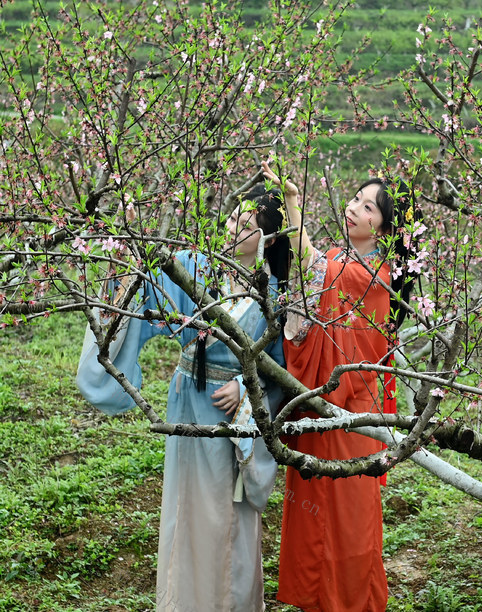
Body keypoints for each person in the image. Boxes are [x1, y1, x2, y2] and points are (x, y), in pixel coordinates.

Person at [76, 185, 290, 611]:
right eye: (233, 218)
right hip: (188, 406)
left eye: (247, 225)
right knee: (185, 511)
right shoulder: (197, 265)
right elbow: (146, 290)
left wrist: (249, 389)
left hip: (233, 425)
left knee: (229, 521)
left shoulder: (275, 295)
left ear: (266, 238)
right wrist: (128, 249)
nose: (234, 228)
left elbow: (283, 373)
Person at [264, 161, 419, 612]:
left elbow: (311, 263)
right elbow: (314, 271)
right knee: (318, 514)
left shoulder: (375, 276)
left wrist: (292, 201)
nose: (353, 209)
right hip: (323, 406)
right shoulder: (344, 260)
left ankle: (349, 602)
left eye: (368, 207)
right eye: (355, 199)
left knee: (349, 523)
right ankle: (317, 600)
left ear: (387, 229)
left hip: (352, 417)